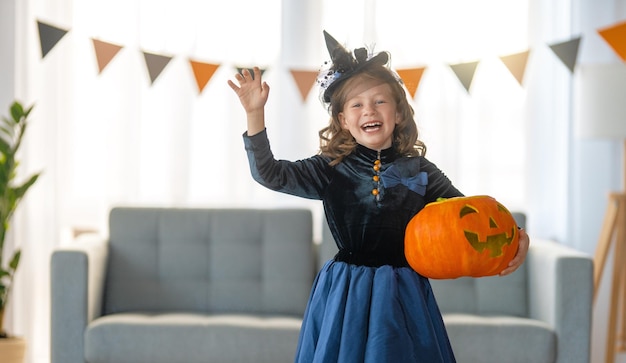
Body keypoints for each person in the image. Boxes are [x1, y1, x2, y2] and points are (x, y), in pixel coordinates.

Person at [228, 30, 530, 363]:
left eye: (379, 101)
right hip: (347, 291)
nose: (368, 110)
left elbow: (467, 215)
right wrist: (254, 114)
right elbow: (269, 173)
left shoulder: (421, 170)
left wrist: (516, 238)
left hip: (402, 292)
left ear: (398, 113)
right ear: (343, 121)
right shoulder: (331, 167)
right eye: (357, 104)